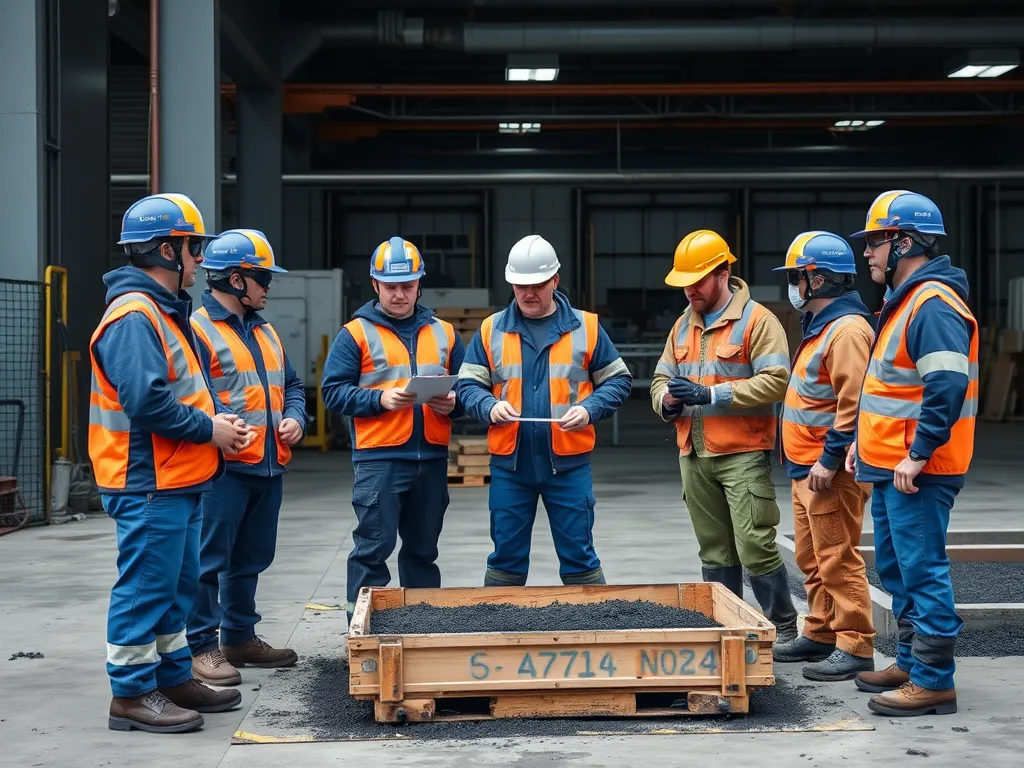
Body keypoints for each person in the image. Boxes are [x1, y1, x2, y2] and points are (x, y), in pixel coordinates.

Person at [89, 193, 251, 734]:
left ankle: (172, 675)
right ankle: (131, 695)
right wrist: (212, 429)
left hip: (178, 477)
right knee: (146, 588)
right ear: (167, 249)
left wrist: (221, 419)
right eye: (193, 247)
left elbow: (191, 390)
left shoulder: (163, 312)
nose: (200, 259)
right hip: (147, 480)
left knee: (178, 587)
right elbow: (147, 403)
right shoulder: (135, 317)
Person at [845, 191, 978, 717]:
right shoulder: (904, 302)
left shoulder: (933, 305)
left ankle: (933, 680)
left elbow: (944, 385)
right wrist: (862, 444)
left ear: (905, 241)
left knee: (923, 570)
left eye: (875, 242)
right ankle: (908, 660)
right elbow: (889, 389)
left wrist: (918, 454)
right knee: (898, 570)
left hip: (918, 470)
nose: (868, 254)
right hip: (889, 465)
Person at [649, 229, 799, 645]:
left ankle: (783, 628)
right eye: (684, 284)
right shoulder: (682, 327)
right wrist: (669, 403)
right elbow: (661, 377)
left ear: (724, 273)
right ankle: (728, 628)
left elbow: (776, 381)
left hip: (742, 450)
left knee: (754, 544)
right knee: (714, 549)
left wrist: (712, 394)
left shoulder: (758, 321)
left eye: (696, 281)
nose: (689, 291)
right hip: (692, 452)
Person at [456, 234, 632, 587]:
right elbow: (466, 386)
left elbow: (619, 381)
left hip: (567, 465)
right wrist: (489, 405)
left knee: (580, 556)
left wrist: (590, 408)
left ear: (555, 280)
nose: (528, 294)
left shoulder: (587, 328)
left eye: (537, 285)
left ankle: (593, 632)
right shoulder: (491, 330)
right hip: (511, 465)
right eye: (520, 286)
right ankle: (499, 633)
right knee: (505, 557)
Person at [321, 236, 465, 635]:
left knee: (423, 552)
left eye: (407, 286)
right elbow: (332, 392)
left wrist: (455, 404)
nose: (399, 295)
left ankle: (423, 632)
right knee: (372, 550)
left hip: (431, 460)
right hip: (379, 460)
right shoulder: (355, 334)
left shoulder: (446, 334)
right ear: (375, 285)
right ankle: (364, 637)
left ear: (420, 284)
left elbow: (470, 388)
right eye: (391, 287)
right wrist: (380, 400)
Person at [186, 229, 308, 686]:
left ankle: (238, 636)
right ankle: (201, 645)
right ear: (236, 280)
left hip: (268, 463)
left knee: (251, 557)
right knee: (208, 561)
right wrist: (219, 417)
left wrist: (296, 417)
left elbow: (291, 385)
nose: (267, 287)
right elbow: (192, 393)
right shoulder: (197, 330)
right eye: (261, 278)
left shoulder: (266, 330)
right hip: (224, 470)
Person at [771, 231, 877, 681]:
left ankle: (855, 644)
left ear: (819, 280)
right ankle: (821, 631)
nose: (792, 286)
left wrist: (830, 460)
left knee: (837, 556)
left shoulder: (848, 330)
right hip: (806, 466)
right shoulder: (822, 326)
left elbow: (852, 406)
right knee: (812, 557)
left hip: (826, 469)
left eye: (797, 277)